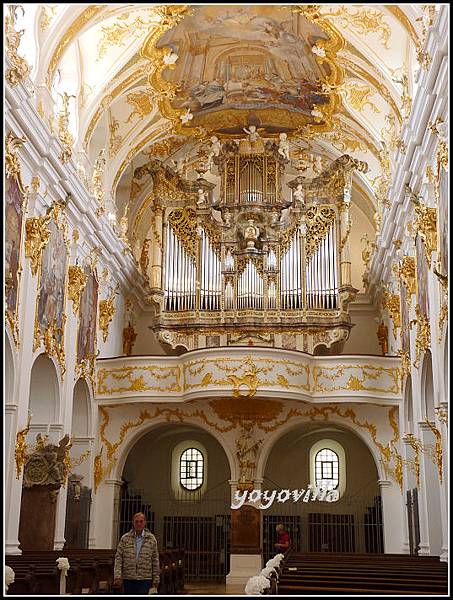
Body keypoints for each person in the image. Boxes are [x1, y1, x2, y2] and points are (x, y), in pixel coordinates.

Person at [114, 512, 160, 595]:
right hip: (128, 577)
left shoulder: (151, 539)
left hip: (145, 577)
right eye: (136, 521)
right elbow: (118, 557)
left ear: (145, 522)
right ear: (133, 523)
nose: (139, 524)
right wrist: (118, 575)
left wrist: (156, 578)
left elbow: (155, 559)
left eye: (141, 521)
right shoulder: (125, 538)